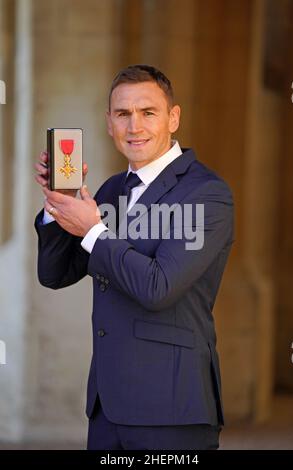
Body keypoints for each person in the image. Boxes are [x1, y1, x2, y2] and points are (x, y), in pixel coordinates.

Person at [34, 64, 234, 450]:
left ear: (173, 118)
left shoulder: (207, 194)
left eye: (148, 112)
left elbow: (159, 286)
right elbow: (54, 274)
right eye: (122, 114)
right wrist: (58, 207)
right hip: (107, 409)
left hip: (172, 408)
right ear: (109, 123)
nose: (134, 126)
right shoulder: (110, 191)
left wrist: (92, 230)